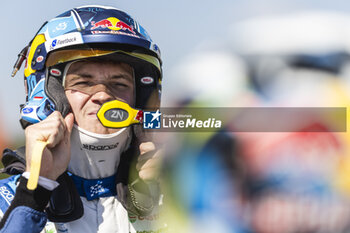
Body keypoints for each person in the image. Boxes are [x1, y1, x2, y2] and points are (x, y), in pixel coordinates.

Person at [0, 5, 164, 233]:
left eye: (119, 84)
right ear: (48, 93)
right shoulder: (5, 202)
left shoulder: (174, 194)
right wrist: (35, 192)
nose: (104, 95)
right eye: (84, 82)